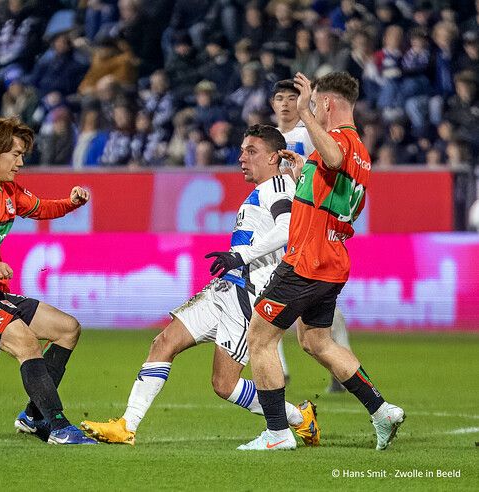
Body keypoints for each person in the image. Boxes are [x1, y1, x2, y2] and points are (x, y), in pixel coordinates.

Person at [80, 125, 319, 446]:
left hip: (248, 295)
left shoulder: (278, 185)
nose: (242, 158)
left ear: (275, 157)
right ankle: (127, 425)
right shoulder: (263, 188)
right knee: (163, 342)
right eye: (242, 150)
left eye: (252, 151)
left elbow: (288, 228)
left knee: (224, 384)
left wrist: (242, 255)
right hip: (225, 288)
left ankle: (295, 417)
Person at [239, 72, 405, 451]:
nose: (308, 110)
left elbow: (332, 155)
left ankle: (278, 433)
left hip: (306, 261)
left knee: (260, 338)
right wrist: (303, 173)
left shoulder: (339, 142)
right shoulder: (361, 151)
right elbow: (336, 196)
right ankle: (381, 411)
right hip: (331, 260)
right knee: (316, 341)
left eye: (314, 104)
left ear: (327, 104)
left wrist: (304, 114)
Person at [0, 117, 96, 445]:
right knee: (26, 342)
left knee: (68, 329)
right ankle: (57, 427)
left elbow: (40, 208)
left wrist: (71, 202)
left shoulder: (8, 190)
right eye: (16, 154)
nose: (21, 162)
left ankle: (33, 415)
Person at [270, 78, 353, 393]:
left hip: (310, 227)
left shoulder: (309, 134)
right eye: (280, 98)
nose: (286, 103)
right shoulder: (267, 137)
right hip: (279, 227)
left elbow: (333, 166)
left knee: (321, 303)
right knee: (265, 295)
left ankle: (339, 366)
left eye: (292, 97)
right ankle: (279, 369)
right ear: (273, 104)